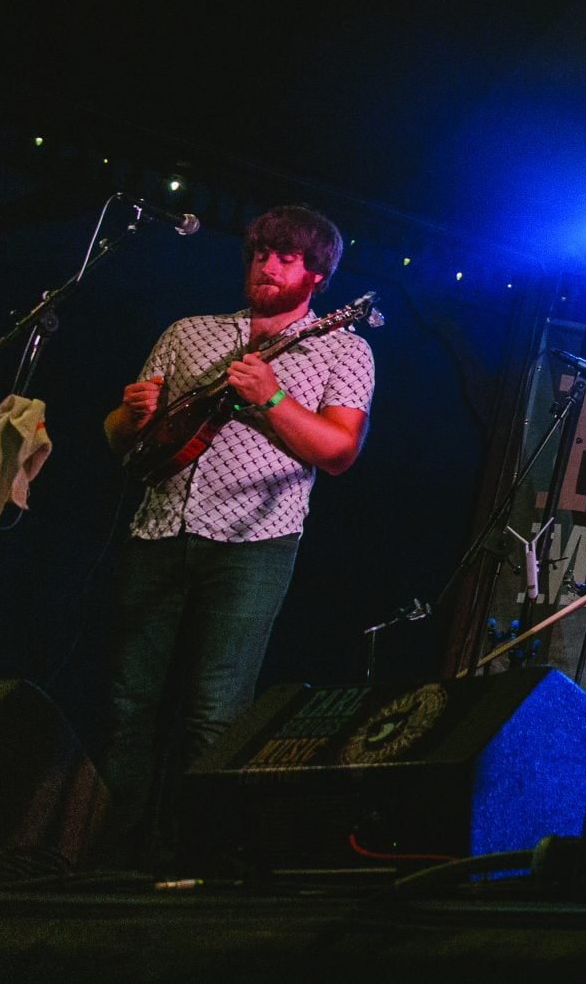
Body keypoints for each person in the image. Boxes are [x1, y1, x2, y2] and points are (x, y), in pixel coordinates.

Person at [99, 204, 375, 859]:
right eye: (259, 253)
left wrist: (272, 397)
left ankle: (195, 862)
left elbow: (339, 451)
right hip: (159, 528)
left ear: (316, 273)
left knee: (215, 708)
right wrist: (129, 415)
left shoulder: (344, 347)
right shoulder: (188, 332)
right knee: (128, 701)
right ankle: (114, 856)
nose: (266, 266)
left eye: (285, 257)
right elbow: (120, 440)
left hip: (254, 543)